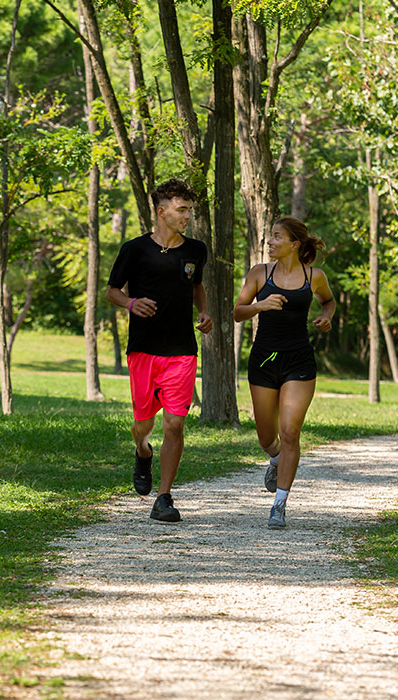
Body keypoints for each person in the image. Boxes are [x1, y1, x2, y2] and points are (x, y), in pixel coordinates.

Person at [106, 178, 212, 522]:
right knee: (143, 423)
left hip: (181, 349)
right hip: (143, 349)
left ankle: (164, 497)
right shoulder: (134, 249)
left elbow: (197, 286)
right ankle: (141, 451)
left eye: (189, 211)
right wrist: (131, 303)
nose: (187, 217)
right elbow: (112, 292)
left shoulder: (195, 250)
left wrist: (204, 312)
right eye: (182, 210)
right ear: (161, 211)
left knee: (175, 425)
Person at [233, 216, 335, 529]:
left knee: (290, 430)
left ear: (294, 244)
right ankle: (274, 457)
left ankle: (279, 504)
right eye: (270, 236)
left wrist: (326, 317)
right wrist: (260, 306)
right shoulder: (259, 273)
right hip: (264, 359)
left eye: (277, 237)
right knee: (267, 436)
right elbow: (238, 312)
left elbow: (328, 302)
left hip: (299, 361)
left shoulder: (313, 276)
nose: (270, 241)